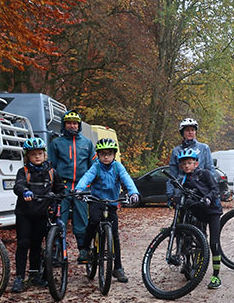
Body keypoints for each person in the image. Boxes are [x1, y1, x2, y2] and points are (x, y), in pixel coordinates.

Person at [75, 137, 140, 283]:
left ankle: (118, 267)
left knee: (115, 236)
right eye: (103, 154)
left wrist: (133, 192)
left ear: (113, 155)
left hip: (111, 203)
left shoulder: (118, 167)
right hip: (96, 201)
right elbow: (87, 177)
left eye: (109, 154)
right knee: (93, 221)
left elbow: (127, 179)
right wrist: (79, 189)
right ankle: (85, 249)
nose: (106, 157)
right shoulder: (96, 166)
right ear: (98, 155)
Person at [11, 137, 66, 293]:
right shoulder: (24, 172)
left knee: (36, 245)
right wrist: (25, 191)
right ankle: (19, 277)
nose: (37, 157)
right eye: (33, 154)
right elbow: (18, 185)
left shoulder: (51, 172)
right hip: (25, 214)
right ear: (27, 156)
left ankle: (35, 275)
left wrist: (58, 197)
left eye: (40, 153)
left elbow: (60, 189)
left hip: (42, 214)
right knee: (23, 244)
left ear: (45, 155)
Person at [173, 148, 224, 289]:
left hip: (212, 211)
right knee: (196, 239)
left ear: (196, 164)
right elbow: (180, 193)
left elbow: (215, 189)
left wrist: (208, 198)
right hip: (199, 211)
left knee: (214, 243)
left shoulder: (204, 174)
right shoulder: (184, 179)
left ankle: (216, 276)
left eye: (189, 163)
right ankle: (190, 260)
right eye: (183, 164)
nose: (186, 166)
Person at [48, 110, 95, 260]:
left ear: (79, 125)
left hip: (81, 187)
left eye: (75, 123)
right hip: (63, 186)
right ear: (64, 125)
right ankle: (56, 251)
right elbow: (51, 167)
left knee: (81, 220)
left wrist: (91, 186)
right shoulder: (56, 143)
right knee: (59, 219)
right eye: (69, 123)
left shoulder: (87, 143)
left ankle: (83, 249)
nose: (72, 126)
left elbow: (93, 166)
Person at [166, 117, 216, 203]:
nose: (190, 132)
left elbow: (210, 169)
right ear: (182, 133)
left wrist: (210, 189)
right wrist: (170, 193)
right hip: (182, 188)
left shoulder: (204, 148)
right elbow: (173, 174)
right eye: (187, 130)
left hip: (200, 187)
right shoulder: (176, 151)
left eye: (192, 130)